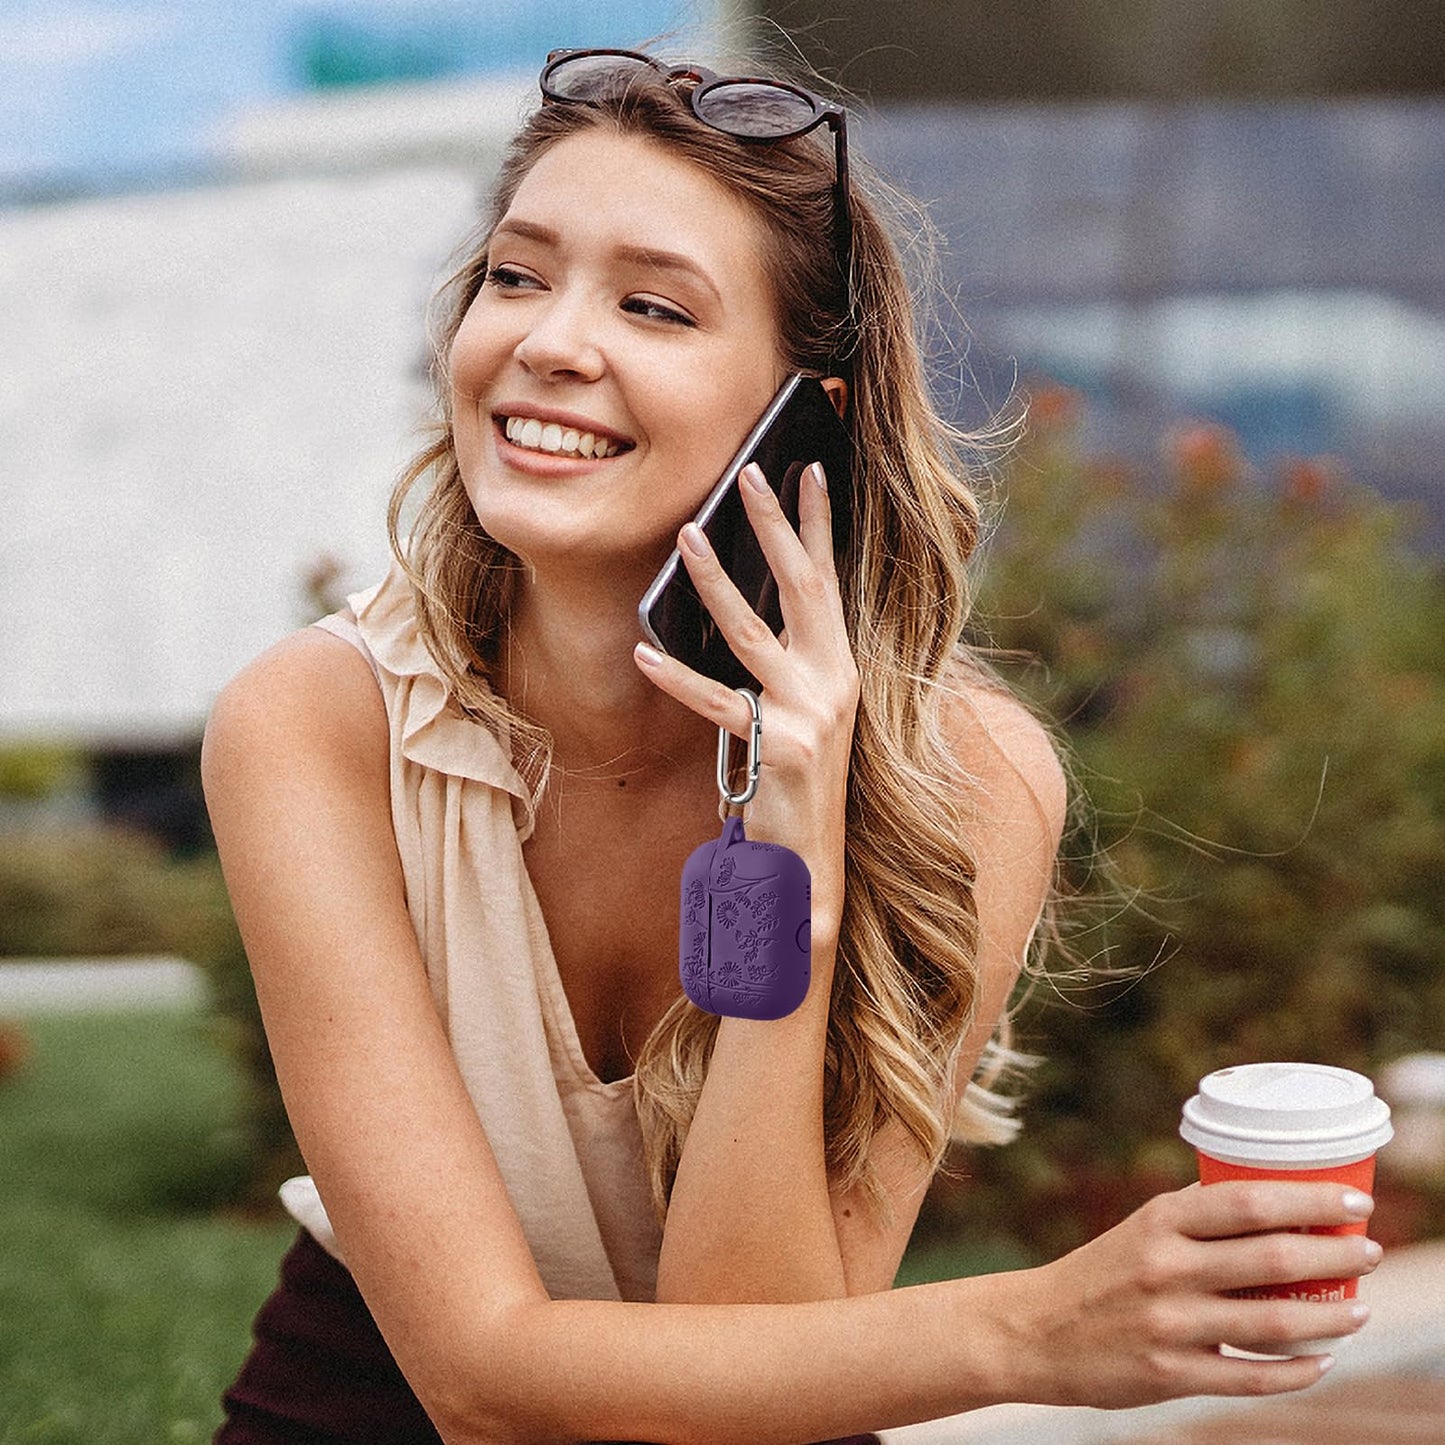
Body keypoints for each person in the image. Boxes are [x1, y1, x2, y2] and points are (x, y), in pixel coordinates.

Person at [203, 44, 1382, 1445]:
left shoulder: (966, 780)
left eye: (652, 305)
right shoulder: (318, 722)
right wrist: (1024, 1331)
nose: (548, 341)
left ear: (798, 425)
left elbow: (748, 1364)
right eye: (517, 276)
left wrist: (791, 853)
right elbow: (473, 1378)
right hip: (372, 1399)